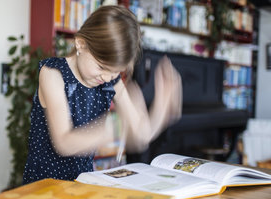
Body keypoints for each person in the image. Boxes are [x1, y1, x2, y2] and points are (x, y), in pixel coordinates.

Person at [22, 5, 182, 184]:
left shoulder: (111, 81)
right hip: (43, 187)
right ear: (80, 44)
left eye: (115, 71)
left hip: (82, 185)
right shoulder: (53, 73)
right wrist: (115, 129)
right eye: (101, 67)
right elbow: (64, 143)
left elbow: (141, 136)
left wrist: (162, 104)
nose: (107, 77)